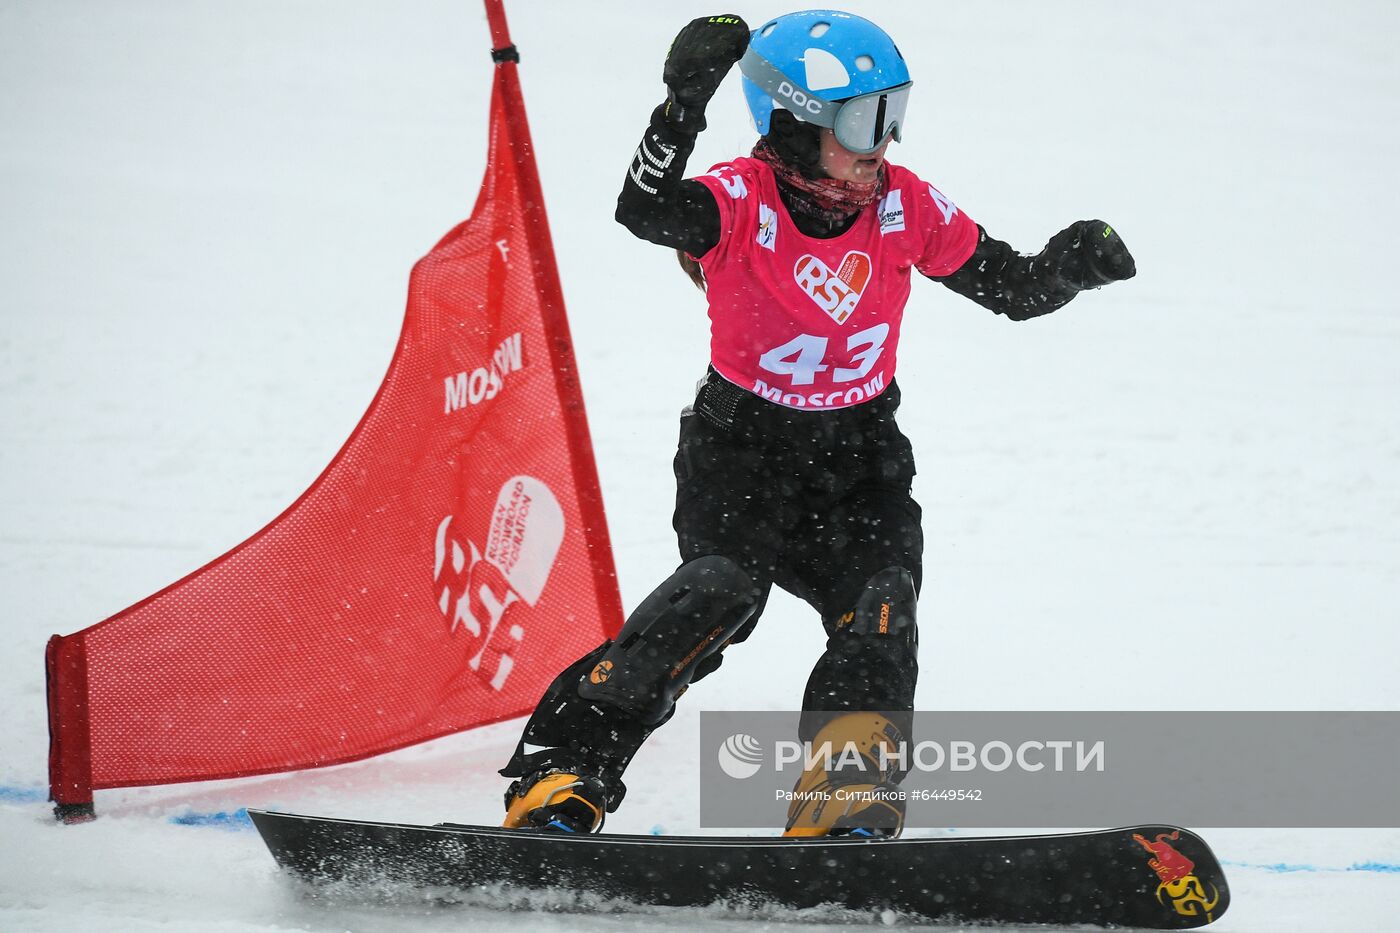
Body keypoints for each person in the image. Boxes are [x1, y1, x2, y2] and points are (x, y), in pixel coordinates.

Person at [499, 10, 1135, 837]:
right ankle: (561, 771)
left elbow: (1009, 287)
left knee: (880, 609)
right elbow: (644, 210)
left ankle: (846, 792)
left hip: (862, 459)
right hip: (742, 455)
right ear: (794, 125)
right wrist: (680, 106)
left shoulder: (905, 208)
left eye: (895, 114)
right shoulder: (740, 202)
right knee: (717, 592)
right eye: (866, 121)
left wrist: (1067, 269)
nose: (886, 143)